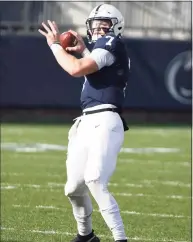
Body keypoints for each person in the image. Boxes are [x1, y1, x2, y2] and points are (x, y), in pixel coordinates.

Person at [38, 3, 130, 242]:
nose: (99, 30)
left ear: (115, 28)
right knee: (73, 188)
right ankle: (86, 236)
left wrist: (55, 45)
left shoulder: (113, 44)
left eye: (104, 25)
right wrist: (84, 51)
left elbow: (76, 69)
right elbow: (97, 73)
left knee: (95, 179)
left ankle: (120, 238)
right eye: (95, 25)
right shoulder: (103, 49)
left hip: (106, 119)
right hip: (86, 121)